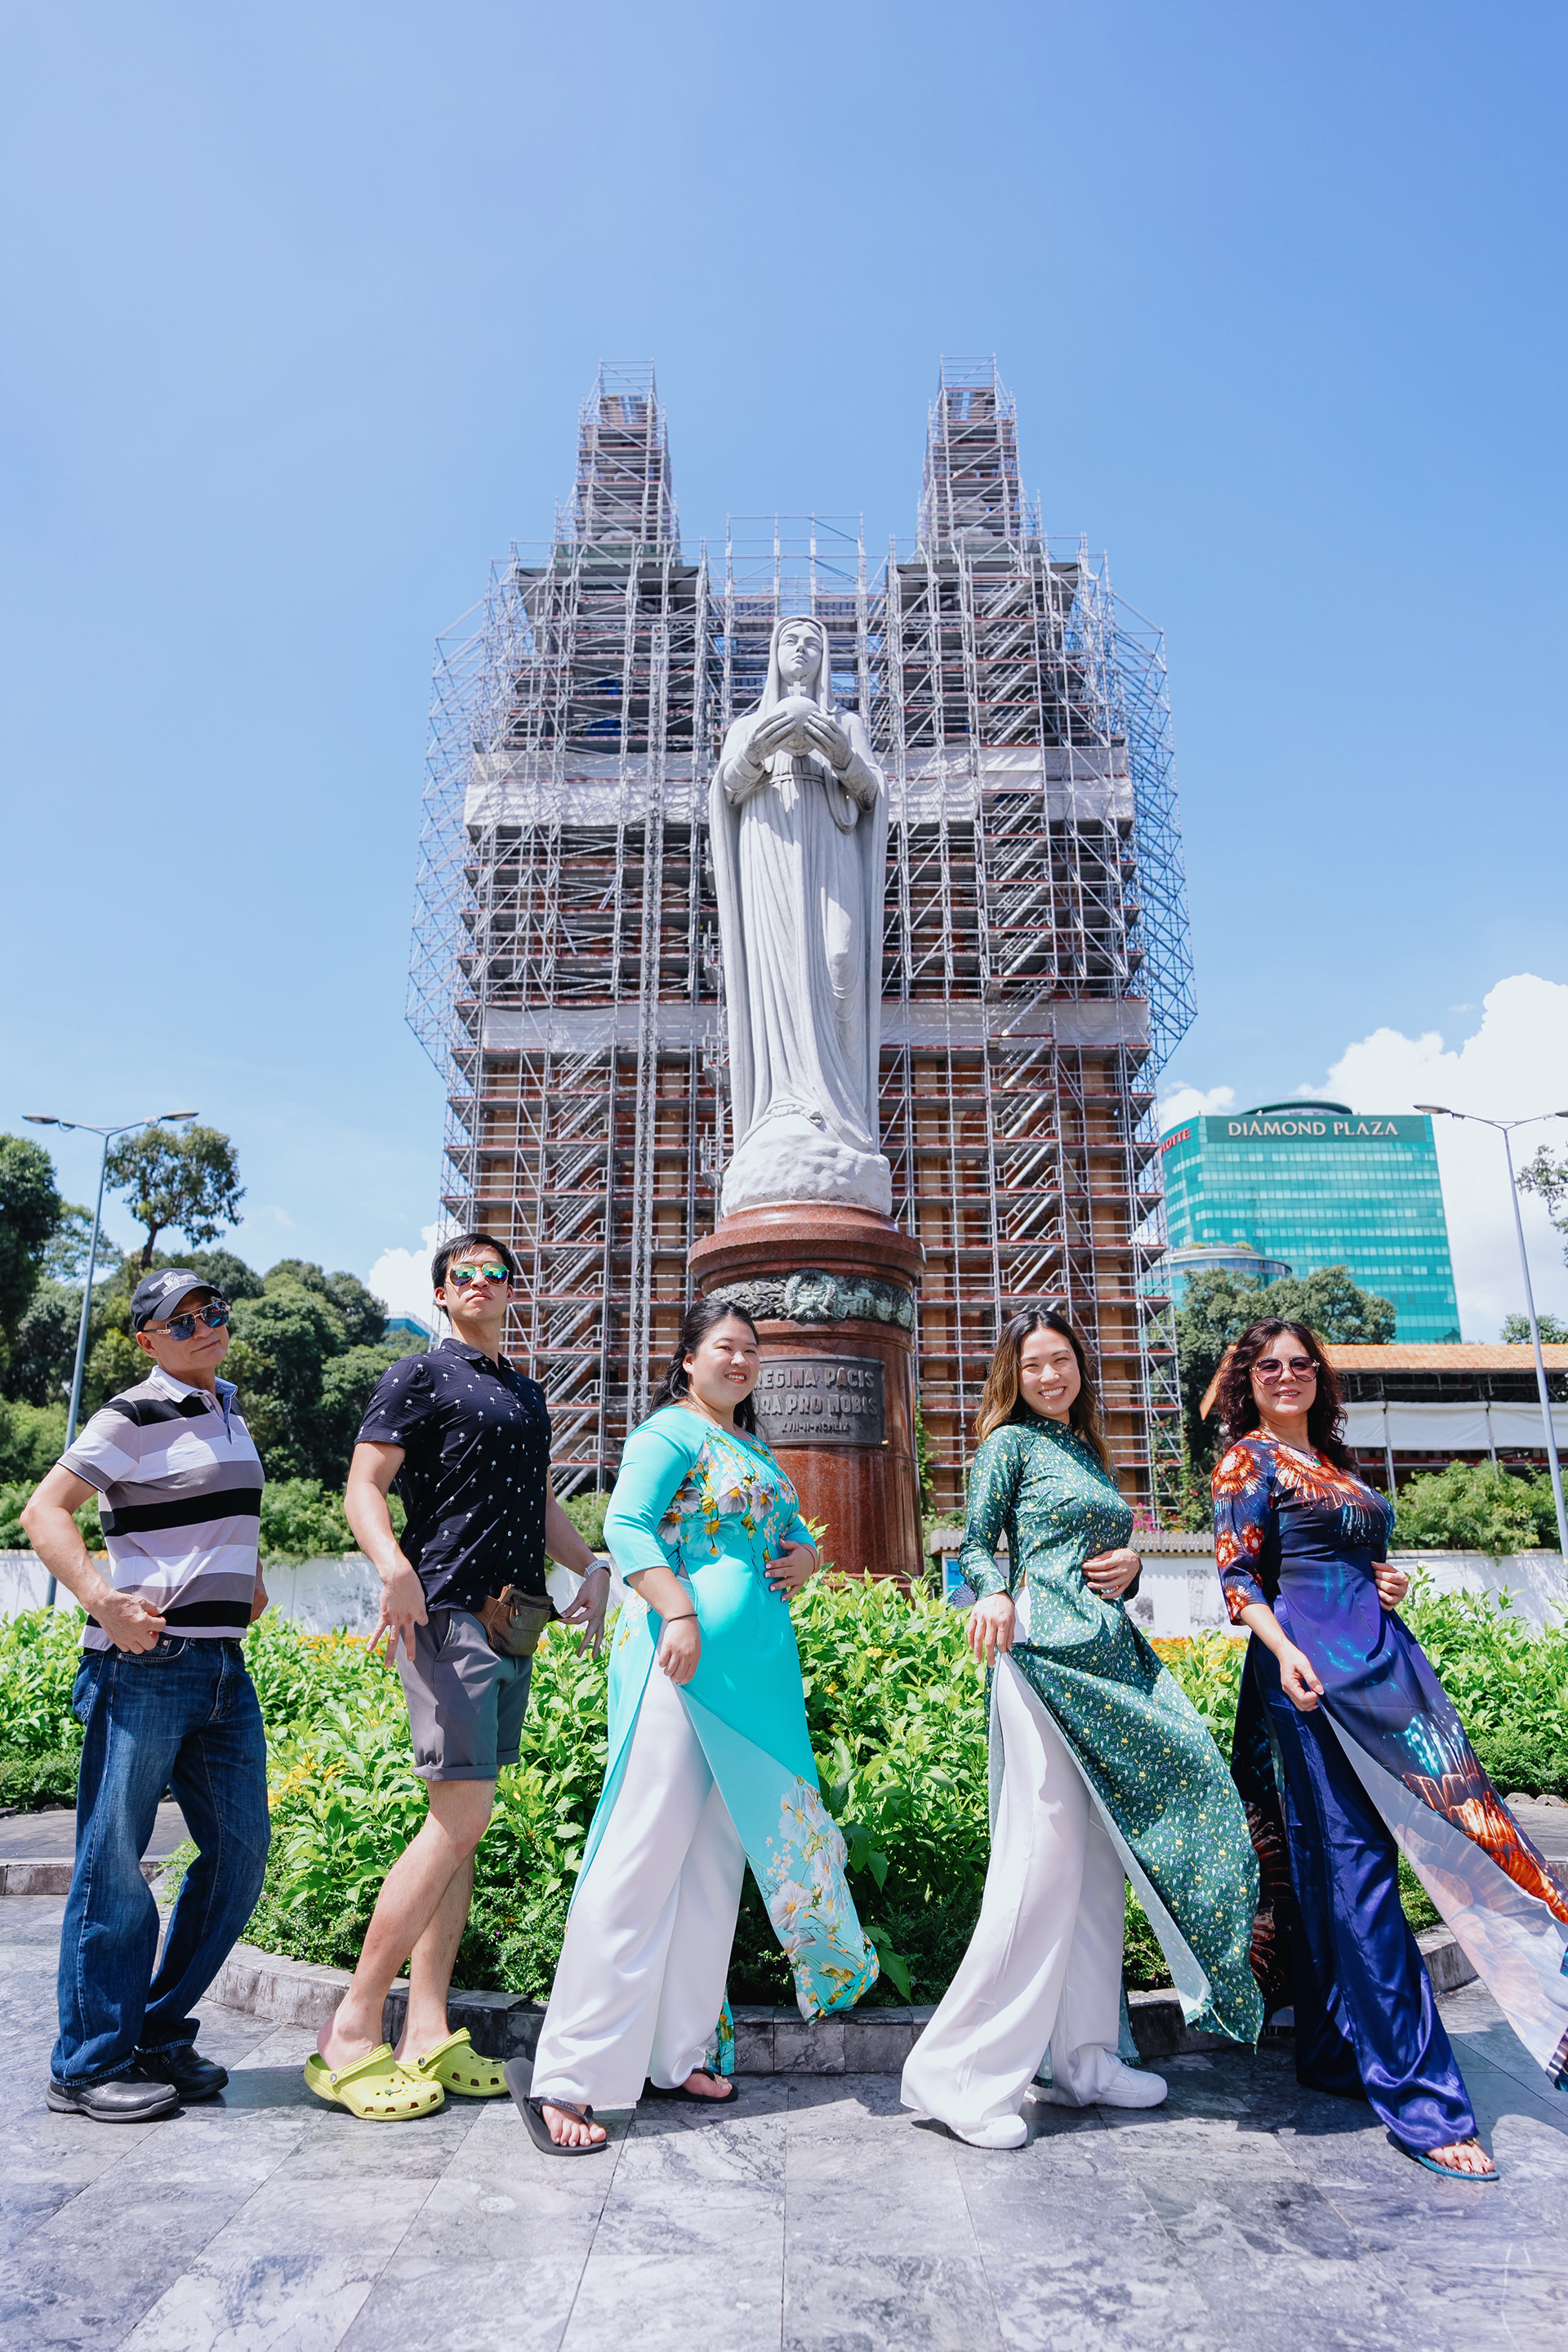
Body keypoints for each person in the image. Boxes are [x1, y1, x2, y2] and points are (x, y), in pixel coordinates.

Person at [519, 1296, 880, 2154]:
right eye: (725, 1346)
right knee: (638, 1860)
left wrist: (807, 1555)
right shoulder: (670, 1433)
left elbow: (790, 1535)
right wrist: (677, 1611)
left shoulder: (752, 1448)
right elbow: (625, 1525)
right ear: (688, 1358)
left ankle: (677, 2056)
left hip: (755, 1683)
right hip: (679, 1674)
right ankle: (569, 2077)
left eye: (751, 1349)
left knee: (713, 1871)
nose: (741, 1360)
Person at [1213, 1318, 1568, 2182]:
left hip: (1382, 1663)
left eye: (1302, 1363)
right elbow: (1238, 1578)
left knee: (1471, 1827)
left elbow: (1350, 1554)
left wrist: (1386, 1577)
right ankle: (1423, 2102)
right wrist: (1283, 1651)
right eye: (1269, 1365)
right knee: (1357, 1866)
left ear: (1319, 1376)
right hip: (1310, 1676)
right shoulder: (1247, 1462)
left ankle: (1335, 2053)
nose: (1287, 1375)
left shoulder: (1335, 1464)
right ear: (1248, 1381)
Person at [902, 1306, 1262, 2150]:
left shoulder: (1085, 1449)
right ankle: (962, 2075)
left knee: (1100, 1862)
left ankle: (1086, 2061)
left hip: (1104, 1653)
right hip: (1039, 1655)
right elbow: (976, 1542)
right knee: (1043, 1861)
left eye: (1060, 1360)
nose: (1049, 1376)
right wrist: (994, 1593)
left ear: (1079, 1368)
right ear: (1013, 1376)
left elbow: (1100, 1562)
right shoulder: (1008, 1444)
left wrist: (1132, 1568)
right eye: (1033, 1365)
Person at [308, 1232, 608, 2122]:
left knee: (461, 1827)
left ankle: (428, 2029)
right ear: (441, 1294)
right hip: (445, 1614)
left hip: (514, 1622)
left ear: (512, 1290)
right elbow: (364, 1486)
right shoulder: (421, 1374)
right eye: (462, 1275)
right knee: (460, 1816)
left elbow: (537, 1500)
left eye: (494, 1273)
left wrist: (590, 1565)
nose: (480, 1283)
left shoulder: (524, 1391)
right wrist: (392, 1567)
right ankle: (352, 2029)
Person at [22, 1270, 270, 2122]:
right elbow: (45, 1512)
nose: (205, 1327)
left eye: (213, 1313)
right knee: (114, 1865)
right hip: (146, 1665)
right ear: (148, 1340)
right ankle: (87, 2065)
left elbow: (225, 1513)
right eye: (183, 1321)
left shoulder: (229, 1407)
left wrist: (249, 1578)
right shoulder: (130, 1414)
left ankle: (156, 2033)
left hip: (223, 1666)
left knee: (241, 1856)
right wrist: (104, 1601)